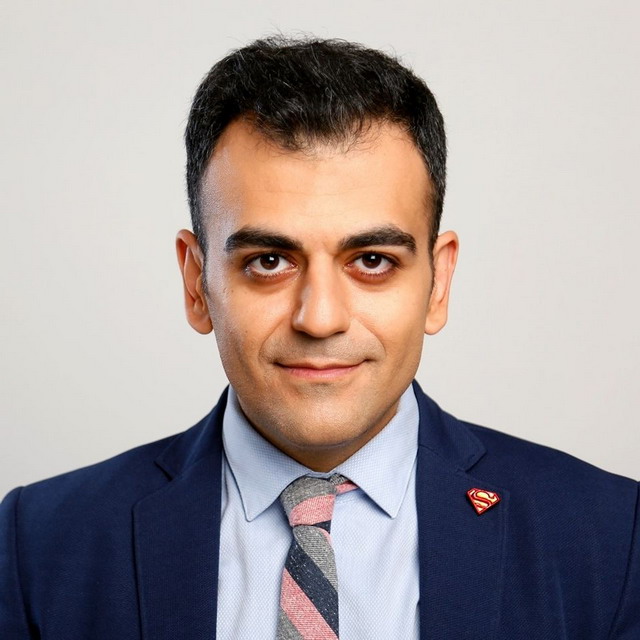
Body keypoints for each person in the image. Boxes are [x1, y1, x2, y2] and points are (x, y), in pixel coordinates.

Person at [1, 36, 638, 640]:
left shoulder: (612, 538)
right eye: (269, 261)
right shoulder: (36, 546)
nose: (320, 318)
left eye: (372, 261)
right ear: (197, 283)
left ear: (438, 282)